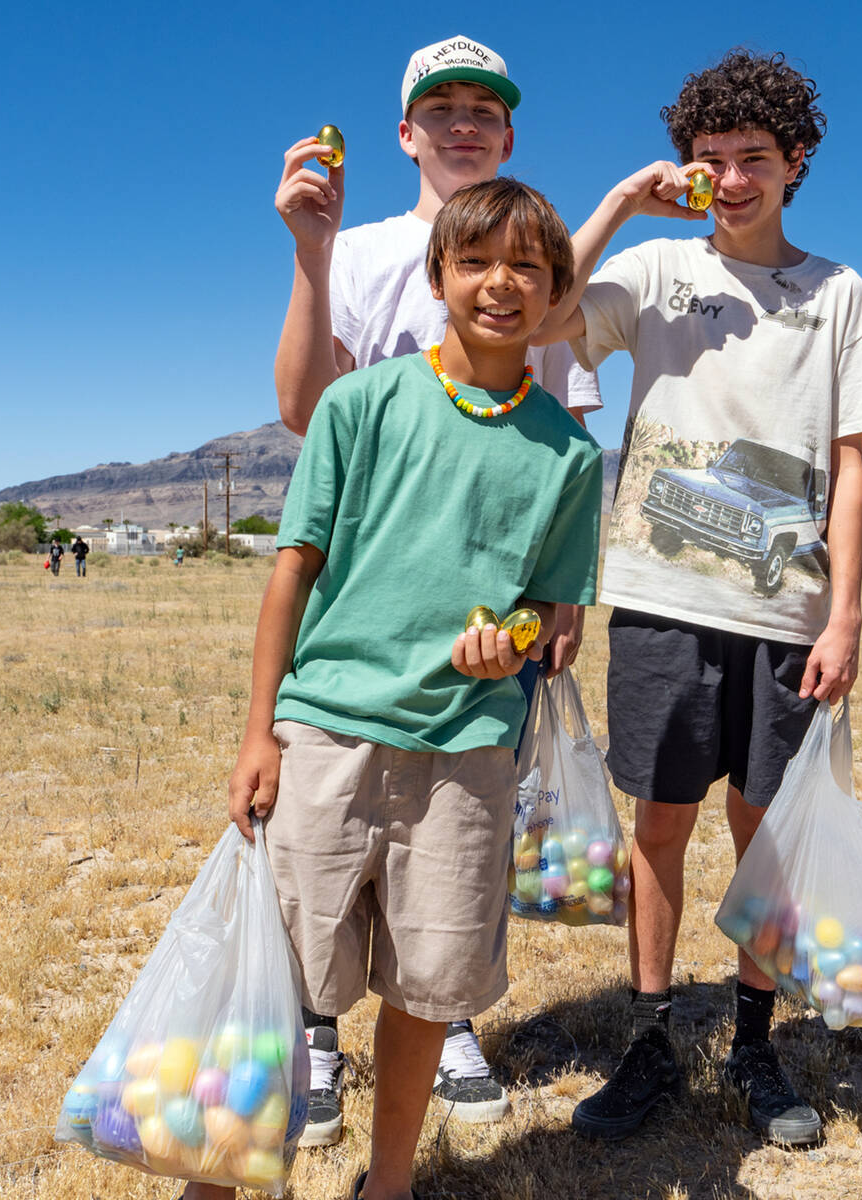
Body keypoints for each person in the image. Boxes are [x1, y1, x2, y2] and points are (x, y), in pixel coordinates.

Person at [182, 179, 601, 1200]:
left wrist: (514, 645)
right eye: (476, 262)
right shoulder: (359, 406)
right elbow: (293, 572)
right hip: (326, 733)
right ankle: (221, 1178)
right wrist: (260, 734)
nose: (500, 284)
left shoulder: (571, 453)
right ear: (438, 276)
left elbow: (552, 619)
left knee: (426, 989)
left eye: (527, 268)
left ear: (553, 295)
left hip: (466, 756)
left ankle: (391, 1181)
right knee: (274, 981)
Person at [532, 50, 862, 1145]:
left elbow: (848, 464)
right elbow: (548, 317)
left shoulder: (837, 291)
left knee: (765, 834)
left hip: (784, 614)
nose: (731, 179)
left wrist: (842, 615)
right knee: (659, 824)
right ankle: (648, 1041)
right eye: (711, 160)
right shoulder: (652, 272)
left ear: (795, 163)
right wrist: (614, 202)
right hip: (659, 595)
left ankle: (753, 1041)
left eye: (754, 159)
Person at [272, 35, 601, 1136]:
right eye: (440, 108)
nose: (464, 123)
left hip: (468, 699)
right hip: (357, 646)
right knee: (307, 910)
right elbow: (307, 411)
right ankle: (314, 1040)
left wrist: (527, 627)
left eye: (485, 109)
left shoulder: (538, 281)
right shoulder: (366, 256)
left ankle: (439, 1018)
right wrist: (311, 257)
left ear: (509, 134)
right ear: (406, 132)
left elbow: (554, 464)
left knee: (440, 910)